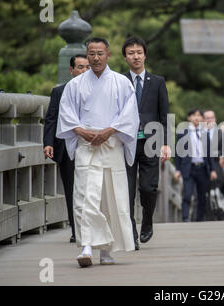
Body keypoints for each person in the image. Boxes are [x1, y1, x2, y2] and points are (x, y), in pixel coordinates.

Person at [56, 37, 139, 267]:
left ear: (108, 55)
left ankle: (106, 249)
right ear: (87, 55)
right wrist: (83, 132)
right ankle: (86, 247)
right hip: (86, 146)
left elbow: (130, 115)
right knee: (85, 196)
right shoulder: (75, 85)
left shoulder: (122, 83)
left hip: (111, 144)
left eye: (100, 53)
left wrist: (109, 131)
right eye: (91, 53)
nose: (95, 58)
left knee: (109, 197)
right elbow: (67, 115)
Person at [122, 36, 170, 250]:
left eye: (139, 52)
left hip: (151, 142)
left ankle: (148, 221)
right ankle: (130, 232)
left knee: (149, 188)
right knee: (127, 191)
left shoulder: (158, 82)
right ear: (125, 57)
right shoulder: (119, 81)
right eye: (131, 53)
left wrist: (166, 143)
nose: (136, 56)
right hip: (126, 144)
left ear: (145, 55)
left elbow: (164, 114)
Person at [43, 54, 90, 243]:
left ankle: (92, 229)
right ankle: (76, 230)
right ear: (71, 70)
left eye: (87, 67)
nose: (84, 71)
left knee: (91, 188)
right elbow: (51, 118)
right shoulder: (59, 91)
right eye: (80, 67)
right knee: (72, 189)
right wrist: (48, 142)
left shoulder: (99, 89)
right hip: (66, 147)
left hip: (91, 145)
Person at [174, 108, 217, 222]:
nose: (197, 118)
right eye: (194, 115)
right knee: (187, 194)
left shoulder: (205, 133)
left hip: (202, 168)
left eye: (199, 115)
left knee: (202, 196)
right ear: (189, 118)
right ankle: (185, 217)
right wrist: (177, 170)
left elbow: (209, 153)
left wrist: (213, 169)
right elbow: (178, 153)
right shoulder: (182, 133)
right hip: (189, 168)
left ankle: (199, 218)